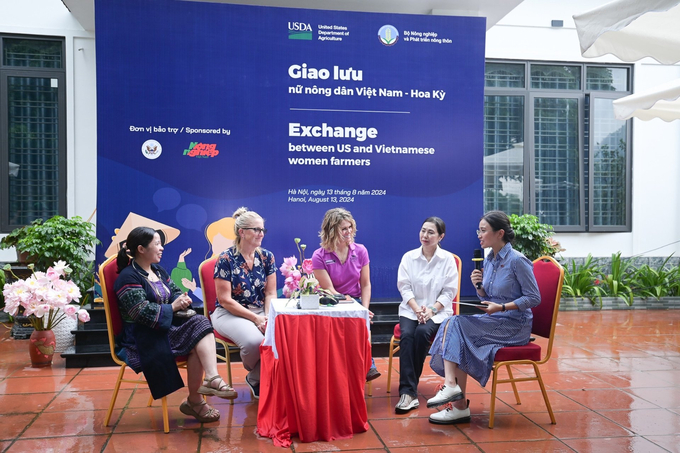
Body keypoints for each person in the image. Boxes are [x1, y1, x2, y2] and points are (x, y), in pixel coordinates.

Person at [426, 211, 541, 424]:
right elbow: (489, 297)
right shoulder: (489, 260)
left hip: (515, 325)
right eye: (478, 230)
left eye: (483, 230)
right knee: (454, 325)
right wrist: (479, 287)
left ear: (500, 233)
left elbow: (534, 297)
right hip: (496, 320)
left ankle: (455, 396)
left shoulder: (518, 261)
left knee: (456, 326)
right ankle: (456, 398)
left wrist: (502, 307)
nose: (479, 234)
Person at [113, 227, 236, 424]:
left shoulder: (157, 271)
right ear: (141, 249)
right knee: (199, 332)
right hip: (142, 336)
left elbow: (175, 291)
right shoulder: (128, 277)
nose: (162, 248)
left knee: (201, 325)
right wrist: (172, 307)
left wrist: (181, 299)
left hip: (164, 327)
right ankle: (198, 397)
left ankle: (207, 384)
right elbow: (140, 312)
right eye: (157, 244)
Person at [395, 217, 458, 414]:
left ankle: (409, 392)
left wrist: (432, 310)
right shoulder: (409, 257)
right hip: (410, 309)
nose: (425, 235)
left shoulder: (447, 259)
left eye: (431, 232)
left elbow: (449, 292)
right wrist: (416, 309)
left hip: (437, 312)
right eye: (423, 231)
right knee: (407, 336)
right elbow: (404, 288)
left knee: (422, 333)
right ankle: (408, 392)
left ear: (441, 236)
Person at [212, 207, 277, 399]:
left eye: (262, 230)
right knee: (254, 341)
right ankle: (259, 375)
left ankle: (255, 377)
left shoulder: (267, 257)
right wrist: (256, 319)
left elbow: (271, 292)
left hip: (260, 310)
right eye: (256, 230)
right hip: (228, 312)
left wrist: (267, 317)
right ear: (242, 232)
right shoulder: (225, 258)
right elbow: (225, 300)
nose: (261, 234)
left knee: (283, 335)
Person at [311, 207, 380, 382]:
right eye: (343, 228)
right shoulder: (319, 256)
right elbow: (330, 290)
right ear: (331, 231)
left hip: (355, 300)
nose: (348, 231)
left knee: (362, 322)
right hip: (330, 302)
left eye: (350, 227)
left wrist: (364, 309)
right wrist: (352, 306)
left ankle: (367, 366)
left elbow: (366, 284)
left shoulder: (361, 251)